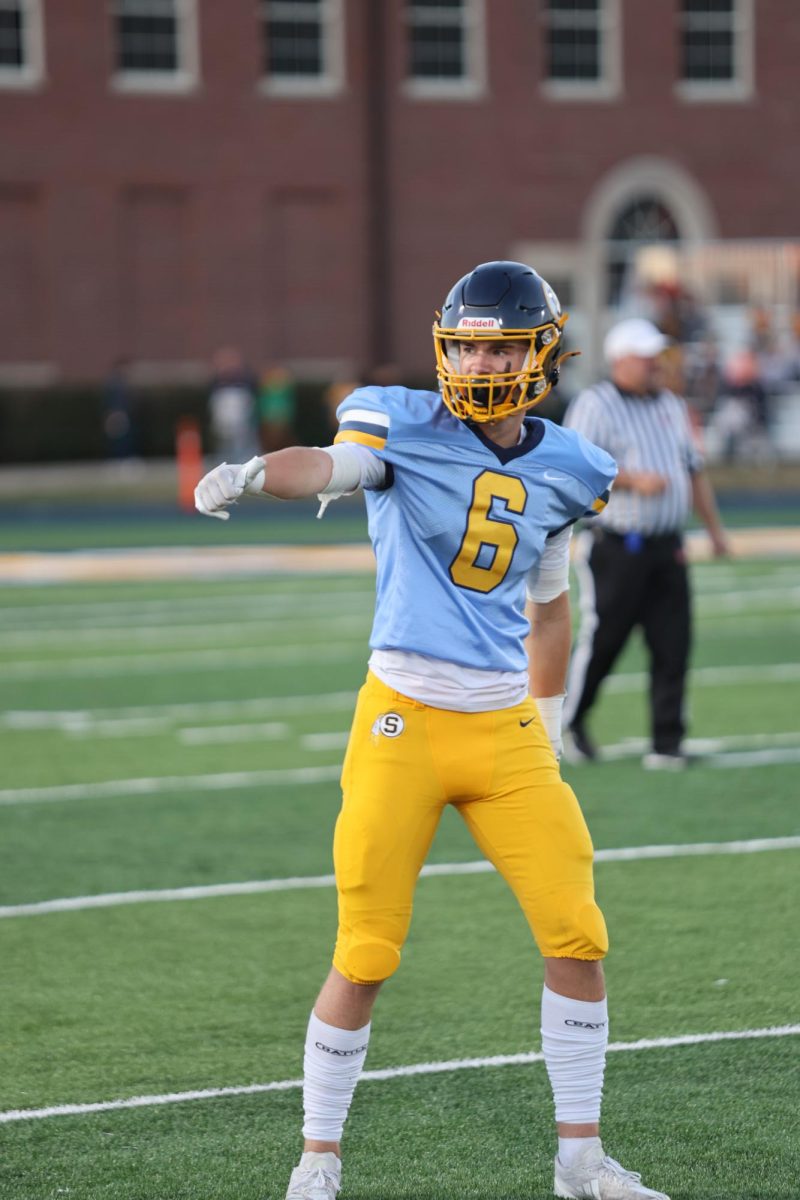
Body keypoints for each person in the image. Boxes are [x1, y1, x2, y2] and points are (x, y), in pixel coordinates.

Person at [194, 262, 670, 1200]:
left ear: (541, 352)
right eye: (465, 343)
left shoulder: (572, 466)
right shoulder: (401, 424)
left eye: (497, 344)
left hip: (504, 730)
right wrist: (256, 473)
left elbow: (550, 602)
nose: (478, 360)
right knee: (366, 948)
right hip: (403, 721)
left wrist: (552, 719)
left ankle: (580, 1161)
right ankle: (317, 1160)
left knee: (578, 932)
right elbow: (330, 467)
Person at [562, 317, 730, 769]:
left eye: (656, 356)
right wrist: (633, 480)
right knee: (605, 641)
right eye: (645, 356)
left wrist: (714, 531)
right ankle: (570, 723)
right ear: (621, 360)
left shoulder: (672, 405)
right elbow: (573, 470)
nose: (655, 364)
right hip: (618, 545)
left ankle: (667, 742)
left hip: (667, 545)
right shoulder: (595, 404)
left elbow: (692, 470)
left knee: (674, 643)